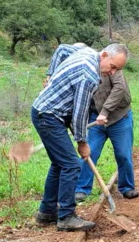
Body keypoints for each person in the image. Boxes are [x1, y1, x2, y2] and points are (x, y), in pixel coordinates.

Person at [32, 43, 129, 231]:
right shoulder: (89, 76)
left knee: (59, 164)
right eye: (113, 66)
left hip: (45, 112)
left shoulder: (86, 52)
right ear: (105, 55)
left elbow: (62, 49)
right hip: (50, 116)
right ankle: (66, 216)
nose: (112, 72)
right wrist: (82, 142)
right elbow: (80, 112)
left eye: (117, 69)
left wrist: (51, 75)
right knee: (71, 164)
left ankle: (47, 212)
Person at [74, 68, 138, 202]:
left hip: (120, 117)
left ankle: (127, 187)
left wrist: (105, 111)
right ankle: (81, 188)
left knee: (123, 154)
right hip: (95, 118)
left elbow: (120, 88)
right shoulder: (82, 69)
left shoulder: (112, 67)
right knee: (89, 153)